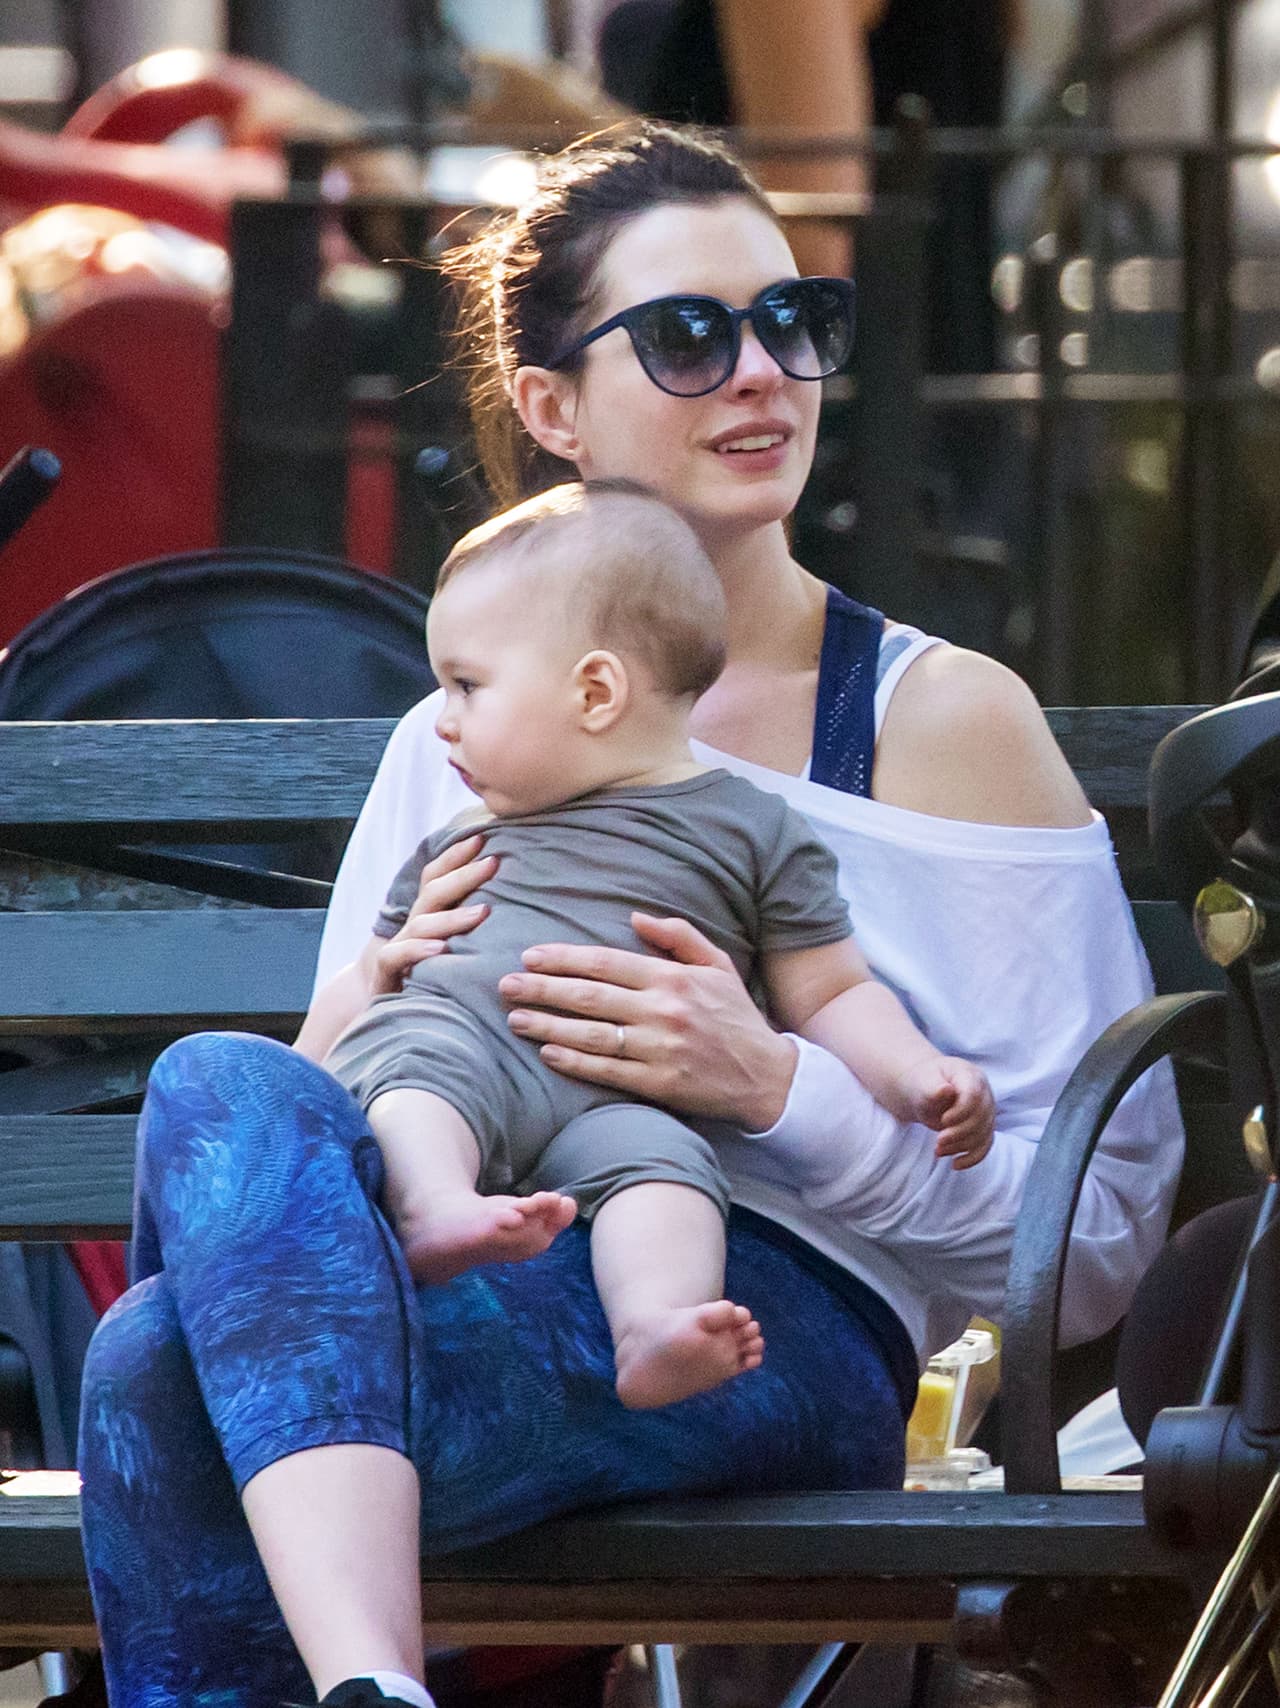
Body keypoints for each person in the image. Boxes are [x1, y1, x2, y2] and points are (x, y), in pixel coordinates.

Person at [77, 121, 1182, 1708]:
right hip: (461, 1265)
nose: (762, 371)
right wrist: (364, 1014)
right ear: (549, 404)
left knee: (157, 1374)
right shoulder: (456, 737)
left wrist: (775, 1089)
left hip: (758, 1324)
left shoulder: (944, 723)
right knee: (221, 1089)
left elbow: (1099, 1237)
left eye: (794, 319)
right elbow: (328, 1130)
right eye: (686, 336)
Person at [313, 480, 994, 1411]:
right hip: (468, 1049)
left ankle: (658, 1329)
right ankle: (436, 1206)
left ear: (595, 691)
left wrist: (917, 1074)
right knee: (415, 1070)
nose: (443, 719)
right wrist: (371, 978)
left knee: (669, 1170)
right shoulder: (460, 836)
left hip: (617, 1101)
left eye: (467, 685)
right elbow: (335, 1043)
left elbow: (831, 993)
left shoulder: (756, 831)